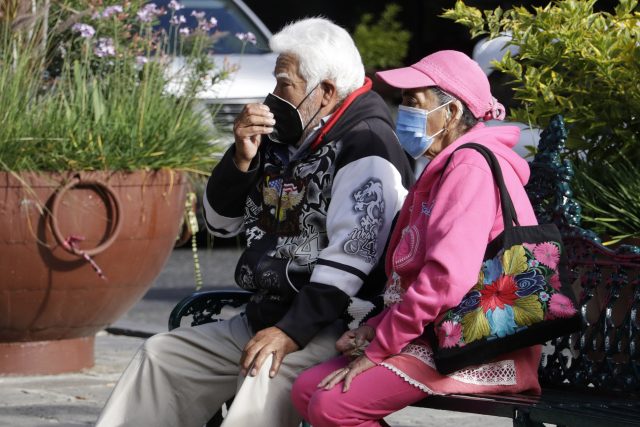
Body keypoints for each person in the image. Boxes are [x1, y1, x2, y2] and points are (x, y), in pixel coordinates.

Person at [96, 17, 413, 427]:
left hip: (333, 325)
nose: (272, 96)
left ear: (327, 92)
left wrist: (291, 332)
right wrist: (240, 158)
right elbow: (220, 224)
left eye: (285, 83)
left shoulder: (367, 143)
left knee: (265, 373)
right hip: (264, 314)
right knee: (161, 357)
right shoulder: (285, 133)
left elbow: (352, 257)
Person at [291, 50, 542, 427]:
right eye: (403, 101)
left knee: (333, 405)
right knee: (308, 389)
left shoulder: (470, 166)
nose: (403, 111)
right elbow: (414, 278)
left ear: (453, 113)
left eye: (414, 102)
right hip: (435, 330)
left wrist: (379, 348)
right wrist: (374, 328)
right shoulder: (442, 166)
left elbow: (445, 280)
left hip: (481, 341)